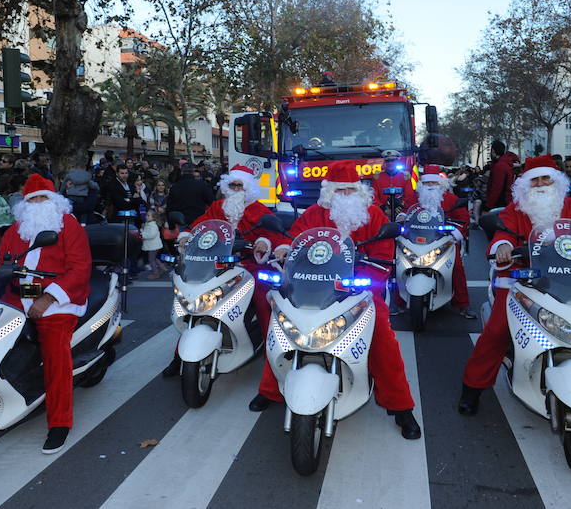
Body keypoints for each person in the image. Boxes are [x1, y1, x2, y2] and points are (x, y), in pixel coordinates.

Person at [258, 160, 422, 440]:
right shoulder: (313, 214)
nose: (345, 196)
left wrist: (368, 271)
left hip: (358, 291)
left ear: (358, 191)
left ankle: (400, 406)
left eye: (349, 190)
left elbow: (384, 251)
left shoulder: (373, 215)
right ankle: (270, 390)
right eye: (339, 191)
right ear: (329, 192)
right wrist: (286, 251)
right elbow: (296, 239)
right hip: (311, 289)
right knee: (283, 329)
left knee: (382, 337)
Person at [458, 155, 571, 415]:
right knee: (497, 332)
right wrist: (502, 246)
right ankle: (472, 388)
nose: (541, 184)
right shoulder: (516, 209)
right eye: (534, 179)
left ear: (556, 180)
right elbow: (502, 234)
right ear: (525, 184)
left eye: (546, 177)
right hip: (522, 281)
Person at [162, 165, 291, 376]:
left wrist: (263, 243)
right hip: (215, 265)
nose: (236, 189)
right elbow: (201, 224)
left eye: (240, 185)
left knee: (264, 303)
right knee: (196, 305)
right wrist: (188, 235)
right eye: (232, 185)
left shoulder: (259, 209)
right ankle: (180, 355)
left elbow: (275, 235)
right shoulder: (217, 206)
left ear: (248, 188)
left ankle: (273, 357)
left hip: (248, 265)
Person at [0, 174, 92, 454]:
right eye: (32, 199)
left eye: (43, 198)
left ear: (54, 201)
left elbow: (80, 269)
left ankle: (59, 422)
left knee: (55, 352)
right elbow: (1, 261)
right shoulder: (16, 230)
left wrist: (49, 298)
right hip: (18, 296)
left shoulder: (69, 226)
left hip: (59, 299)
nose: (38, 203)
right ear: (24, 205)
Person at [398, 165, 474, 319]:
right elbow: (406, 211)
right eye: (427, 184)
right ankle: (399, 301)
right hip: (416, 239)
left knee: (457, 267)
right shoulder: (414, 198)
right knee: (398, 262)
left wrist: (454, 231)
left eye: (434, 183)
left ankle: (462, 305)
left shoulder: (451, 199)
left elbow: (463, 218)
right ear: (422, 184)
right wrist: (401, 218)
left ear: (440, 184)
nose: (431, 187)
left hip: (443, 239)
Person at [485, 140, 517, 210]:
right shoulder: (505, 164)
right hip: (505, 202)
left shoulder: (499, 166)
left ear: (493, 151)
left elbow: (496, 188)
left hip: (499, 204)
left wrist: (488, 205)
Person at [140, 209, 164, 279]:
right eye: (146, 215)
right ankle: (162, 267)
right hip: (153, 245)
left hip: (153, 246)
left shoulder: (152, 226)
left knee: (151, 259)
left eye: (148, 215)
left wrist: (142, 234)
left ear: (153, 218)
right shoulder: (149, 224)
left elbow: (151, 235)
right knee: (154, 258)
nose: (146, 217)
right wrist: (142, 229)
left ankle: (156, 273)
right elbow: (146, 232)